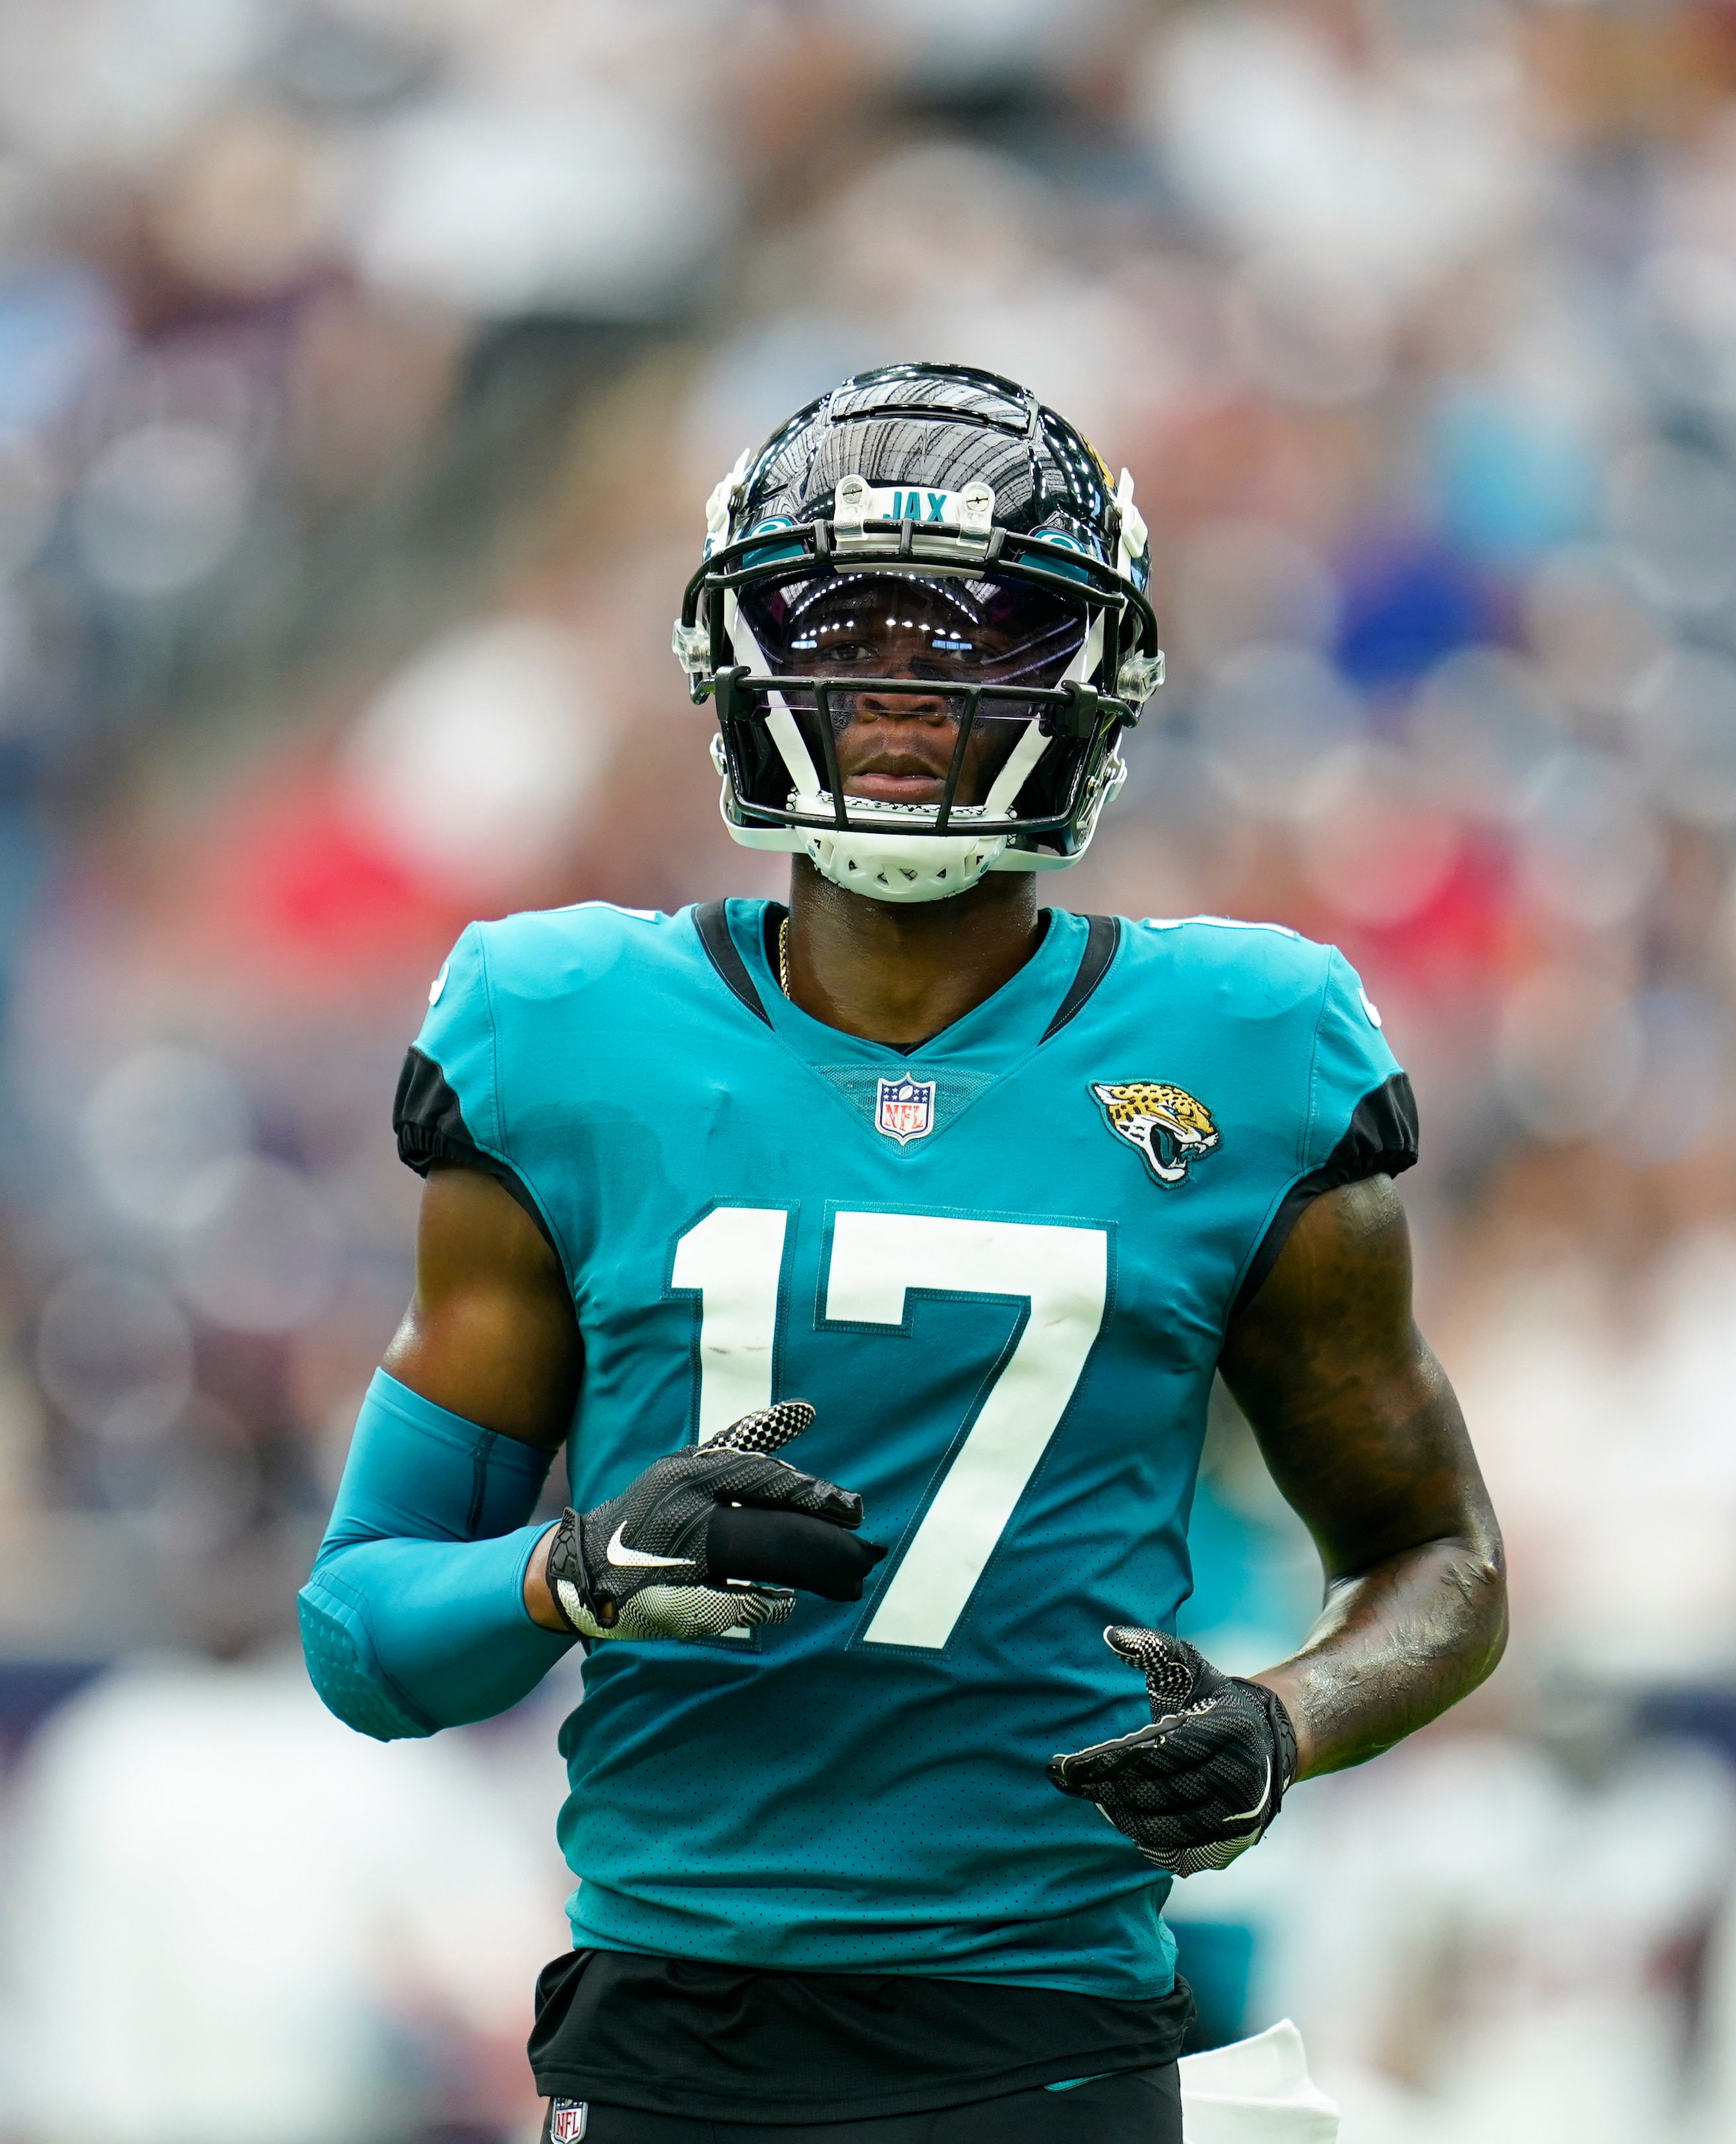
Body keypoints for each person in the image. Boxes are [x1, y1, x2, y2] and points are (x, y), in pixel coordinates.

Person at [299, 362, 1507, 2144]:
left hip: (1054, 2041)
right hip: (670, 2047)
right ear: (742, 654)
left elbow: (1438, 1564)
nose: (898, 688)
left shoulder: (1250, 1048)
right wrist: (567, 1569)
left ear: (1090, 679)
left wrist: (1281, 1721)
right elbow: (364, 1629)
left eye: (974, 637)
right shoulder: (561, 1030)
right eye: (843, 624)